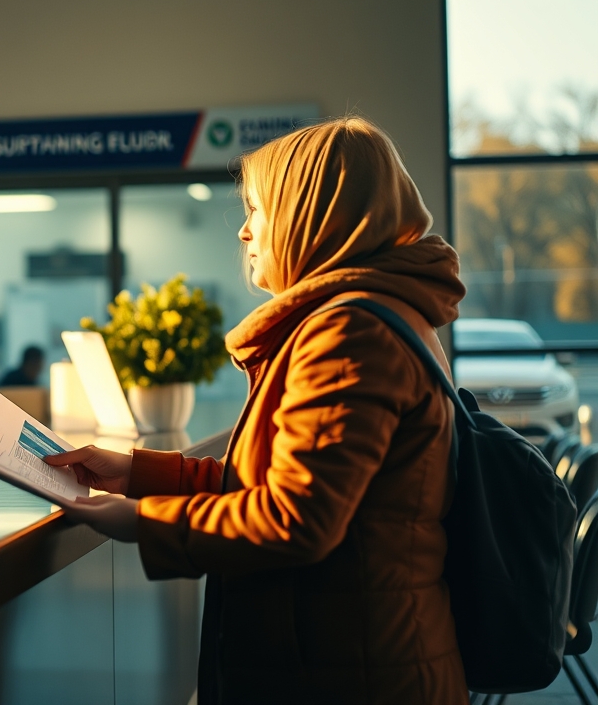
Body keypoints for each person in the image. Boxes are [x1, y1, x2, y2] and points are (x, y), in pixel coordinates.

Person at [45, 117, 469, 704]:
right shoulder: (372, 315)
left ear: (312, 217)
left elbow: (295, 520)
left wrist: (142, 522)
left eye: (258, 209)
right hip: (353, 660)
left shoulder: (347, 332)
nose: (245, 233)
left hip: (350, 675)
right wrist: (138, 474)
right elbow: (273, 482)